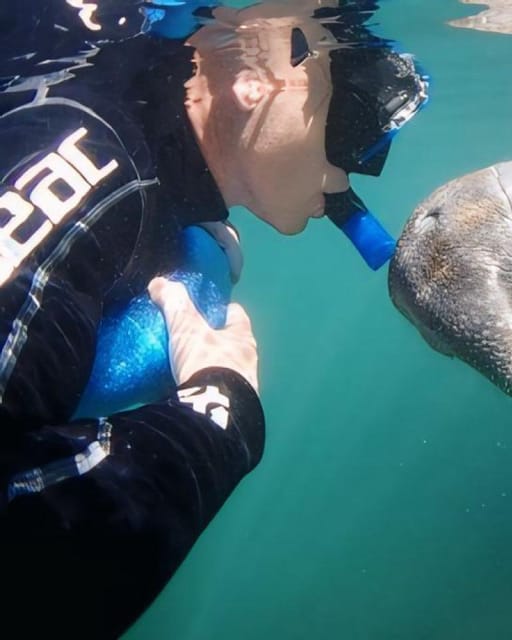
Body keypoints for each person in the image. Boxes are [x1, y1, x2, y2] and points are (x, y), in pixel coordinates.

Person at [0, 0, 427, 637]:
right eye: (355, 123)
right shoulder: (86, 163)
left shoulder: (144, 161)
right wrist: (215, 417)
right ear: (253, 80)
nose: (357, 166)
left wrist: (177, 236)